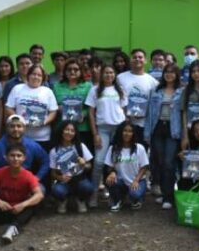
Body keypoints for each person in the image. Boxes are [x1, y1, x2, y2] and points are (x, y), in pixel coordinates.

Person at [0, 143, 44, 246]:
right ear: (6, 157)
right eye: (12, 155)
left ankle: (13, 229)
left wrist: (23, 205)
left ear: (24, 158)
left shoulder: (28, 175)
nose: (15, 158)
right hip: (2, 208)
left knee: (34, 204)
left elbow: (39, 194)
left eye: (19, 156)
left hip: (18, 211)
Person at [86, 65, 128, 207]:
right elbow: (91, 113)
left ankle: (115, 195)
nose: (109, 75)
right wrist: (95, 134)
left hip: (119, 129)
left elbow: (124, 110)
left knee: (117, 163)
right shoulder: (95, 90)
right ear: (101, 74)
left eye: (111, 72)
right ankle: (94, 194)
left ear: (115, 74)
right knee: (98, 162)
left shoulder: (120, 90)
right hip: (102, 129)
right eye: (106, 72)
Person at [145, 63, 184, 209]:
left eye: (172, 72)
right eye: (167, 72)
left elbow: (184, 113)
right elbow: (150, 113)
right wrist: (147, 132)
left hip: (173, 129)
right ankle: (164, 193)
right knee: (160, 162)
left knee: (169, 163)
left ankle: (169, 196)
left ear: (177, 75)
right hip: (157, 128)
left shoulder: (181, 91)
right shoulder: (156, 90)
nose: (169, 74)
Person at [0, 114, 50, 193]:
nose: (16, 129)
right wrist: (2, 177)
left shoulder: (32, 145)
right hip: (2, 181)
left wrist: (37, 177)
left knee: (41, 190)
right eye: (12, 126)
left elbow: (46, 161)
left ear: (24, 128)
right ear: (7, 128)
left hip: (24, 180)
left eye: (19, 126)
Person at [5, 64, 58, 150]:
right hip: (20, 135)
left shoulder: (48, 91)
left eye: (39, 75)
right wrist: (19, 121)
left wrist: (44, 122)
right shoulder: (17, 88)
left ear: (43, 78)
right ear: (28, 75)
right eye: (33, 74)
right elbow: (8, 107)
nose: (36, 77)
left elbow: (53, 111)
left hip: (43, 137)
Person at [49, 121, 94, 214]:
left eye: (72, 130)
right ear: (61, 131)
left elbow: (90, 166)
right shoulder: (54, 150)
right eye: (67, 130)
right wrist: (60, 177)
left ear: (75, 133)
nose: (69, 133)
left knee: (88, 187)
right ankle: (63, 201)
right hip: (64, 180)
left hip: (79, 178)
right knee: (57, 190)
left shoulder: (80, 146)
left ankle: (80, 200)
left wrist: (83, 164)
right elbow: (52, 172)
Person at [105, 121, 150, 211]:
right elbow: (109, 166)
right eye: (125, 131)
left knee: (135, 194)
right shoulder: (113, 148)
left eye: (130, 131)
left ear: (133, 134)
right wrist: (112, 172)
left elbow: (144, 167)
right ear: (120, 132)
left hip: (138, 180)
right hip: (121, 181)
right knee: (110, 180)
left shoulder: (139, 148)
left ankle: (137, 199)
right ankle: (117, 200)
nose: (127, 134)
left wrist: (136, 180)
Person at [117, 48, 158, 144]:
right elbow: (117, 99)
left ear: (146, 60)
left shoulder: (152, 81)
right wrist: (125, 114)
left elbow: (154, 104)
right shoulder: (120, 78)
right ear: (131, 60)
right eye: (134, 57)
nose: (137, 59)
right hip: (124, 123)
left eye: (140, 57)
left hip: (143, 124)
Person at [53, 58, 93, 149]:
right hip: (61, 128)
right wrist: (58, 108)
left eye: (76, 69)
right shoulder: (56, 86)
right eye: (69, 69)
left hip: (82, 128)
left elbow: (92, 107)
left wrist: (84, 114)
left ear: (81, 71)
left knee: (82, 156)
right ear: (65, 71)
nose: (72, 71)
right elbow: (51, 106)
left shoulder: (88, 86)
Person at [180, 60, 199, 149]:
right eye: (193, 71)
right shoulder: (186, 90)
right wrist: (185, 135)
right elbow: (184, 113)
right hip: (191, 129)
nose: (196, 74)